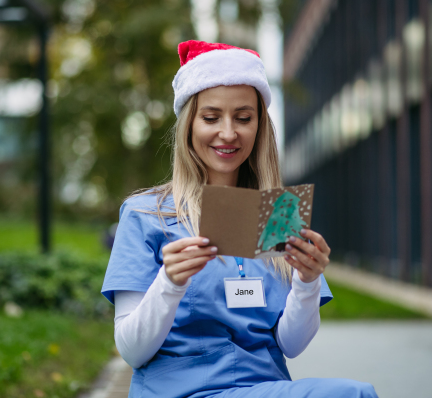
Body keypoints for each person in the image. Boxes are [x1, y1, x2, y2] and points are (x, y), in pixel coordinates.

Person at [101, 40, 378, 398]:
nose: (229, 133)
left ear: (260, 127)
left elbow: (291, 344)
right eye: (211, 117)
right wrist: (170, 282)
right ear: (188, 124)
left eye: (244, 118)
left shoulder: (278, 214)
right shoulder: (145, 214)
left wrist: (308, 281)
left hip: (263, 387)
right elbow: (131, 350)